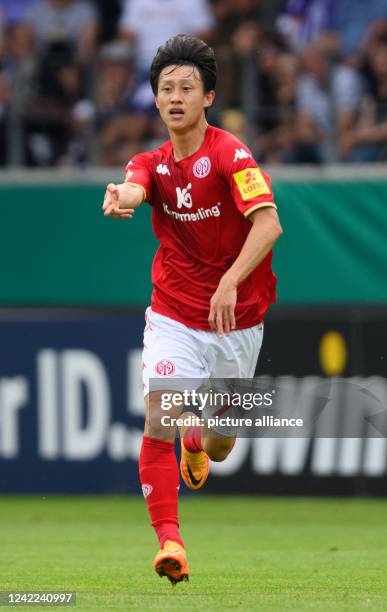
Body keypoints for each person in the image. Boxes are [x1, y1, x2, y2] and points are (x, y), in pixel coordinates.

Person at [102, 34, 282, 585]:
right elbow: (135, 187)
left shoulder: (231, 154)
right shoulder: (149, 163)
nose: (174, 96)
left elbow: (269, 223)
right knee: (161, 416)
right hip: (174, 311)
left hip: (237, 318)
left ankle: (202, 440)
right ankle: (171, 543)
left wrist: (230, 280)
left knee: (222, 443)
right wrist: (121, 197)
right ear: (155, 101)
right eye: (165, 88)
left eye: (186, 87)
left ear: (208, 97)